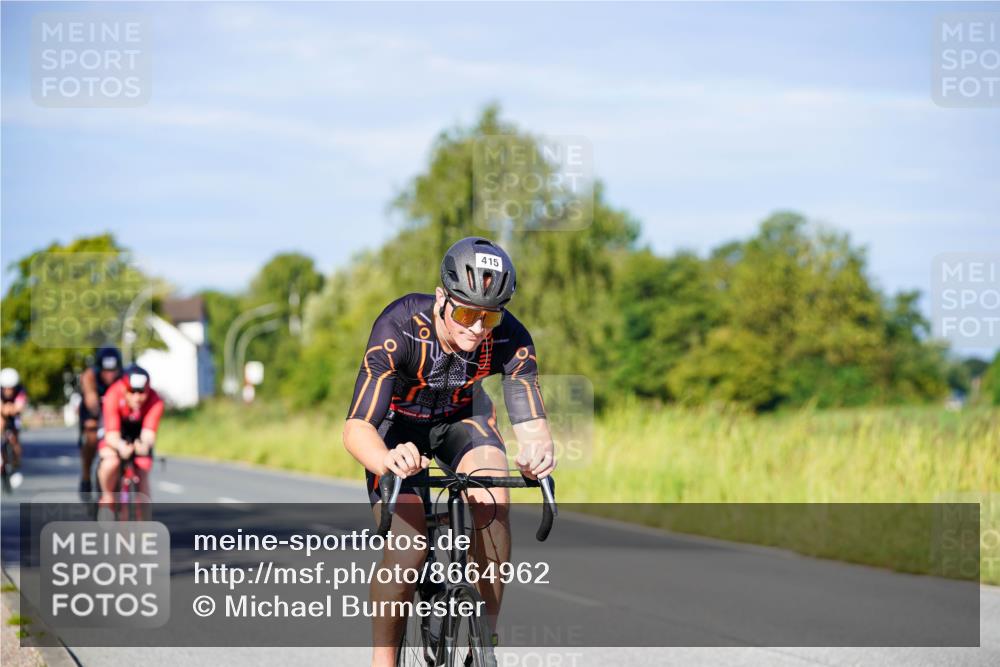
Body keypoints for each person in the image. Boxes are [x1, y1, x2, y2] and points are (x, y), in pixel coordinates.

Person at [342, 236, 557, 667]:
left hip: (461, 422)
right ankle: (382, 661)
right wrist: (385, 460)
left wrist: (538, 452)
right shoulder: (400, 327)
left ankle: (485, 638)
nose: (477, 329)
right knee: (407, 550)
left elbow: (532, 424)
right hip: (395, 428)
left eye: (489, 316)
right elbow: (357, 427)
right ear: (442, 298)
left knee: (493, 501)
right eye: (465, 313)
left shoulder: (510, 338)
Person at [97, 365, 164, 519]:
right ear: (124, 388)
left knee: (143, 468)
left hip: (138, 433)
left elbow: (149, 433)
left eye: (141, 393)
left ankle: (145, 525)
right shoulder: (113, 394)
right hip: (115, 431)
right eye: (132, 392)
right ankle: (107, 498)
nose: (137, 397)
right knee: (110, 462)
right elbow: (111, 435)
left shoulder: (155, 401)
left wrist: (144, 445)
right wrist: (120, 446)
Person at [78, 347, 123, 494]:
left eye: (113, 371)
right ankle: (86, 476)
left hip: (114, 412)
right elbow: (91, 400)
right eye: (106, 371)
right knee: (90, 436)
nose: (110, 375)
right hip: (94, 412)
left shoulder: (123, 378)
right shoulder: (90, 377)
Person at [1, 368, 28, 488]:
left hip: (14, 417)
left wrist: (11, 409)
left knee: (15, 439)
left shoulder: (20, 390)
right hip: (2, 416)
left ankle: (16, 461)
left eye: (11, 388)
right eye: (5, 388)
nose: (8, 391)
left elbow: (19, 407)